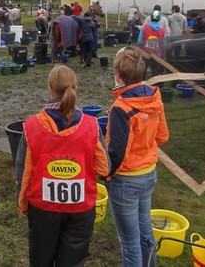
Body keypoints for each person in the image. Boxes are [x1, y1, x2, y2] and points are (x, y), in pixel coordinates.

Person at [16, 64, 110, 267]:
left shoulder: (31, 126)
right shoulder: (92, 126)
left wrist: (22, 202)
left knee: (41, 259)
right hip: (80, 209)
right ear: (75, 89)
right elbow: (104, 168)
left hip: (42, 208)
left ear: (50, 90)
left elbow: (24, 170)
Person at [105, 47, 169, 267]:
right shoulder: (155, 98)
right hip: (148, 174)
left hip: (126, 181)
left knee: (129, 240)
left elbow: (116, 151)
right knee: (145, 233)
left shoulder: (120, 108)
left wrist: (107, 174)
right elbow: (162, 136)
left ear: (118, 76)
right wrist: (144, 146)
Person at [138, 10, 167, 76]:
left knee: (142, 72)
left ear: (151, 17)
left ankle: (140, 85)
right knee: (155, 73)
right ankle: (155, 86)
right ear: (159, 19)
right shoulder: (163, 30)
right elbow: (164, 44)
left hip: (145, 53)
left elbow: (139, 40)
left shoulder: (144, 27)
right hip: (157, 54)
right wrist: (163, 54)